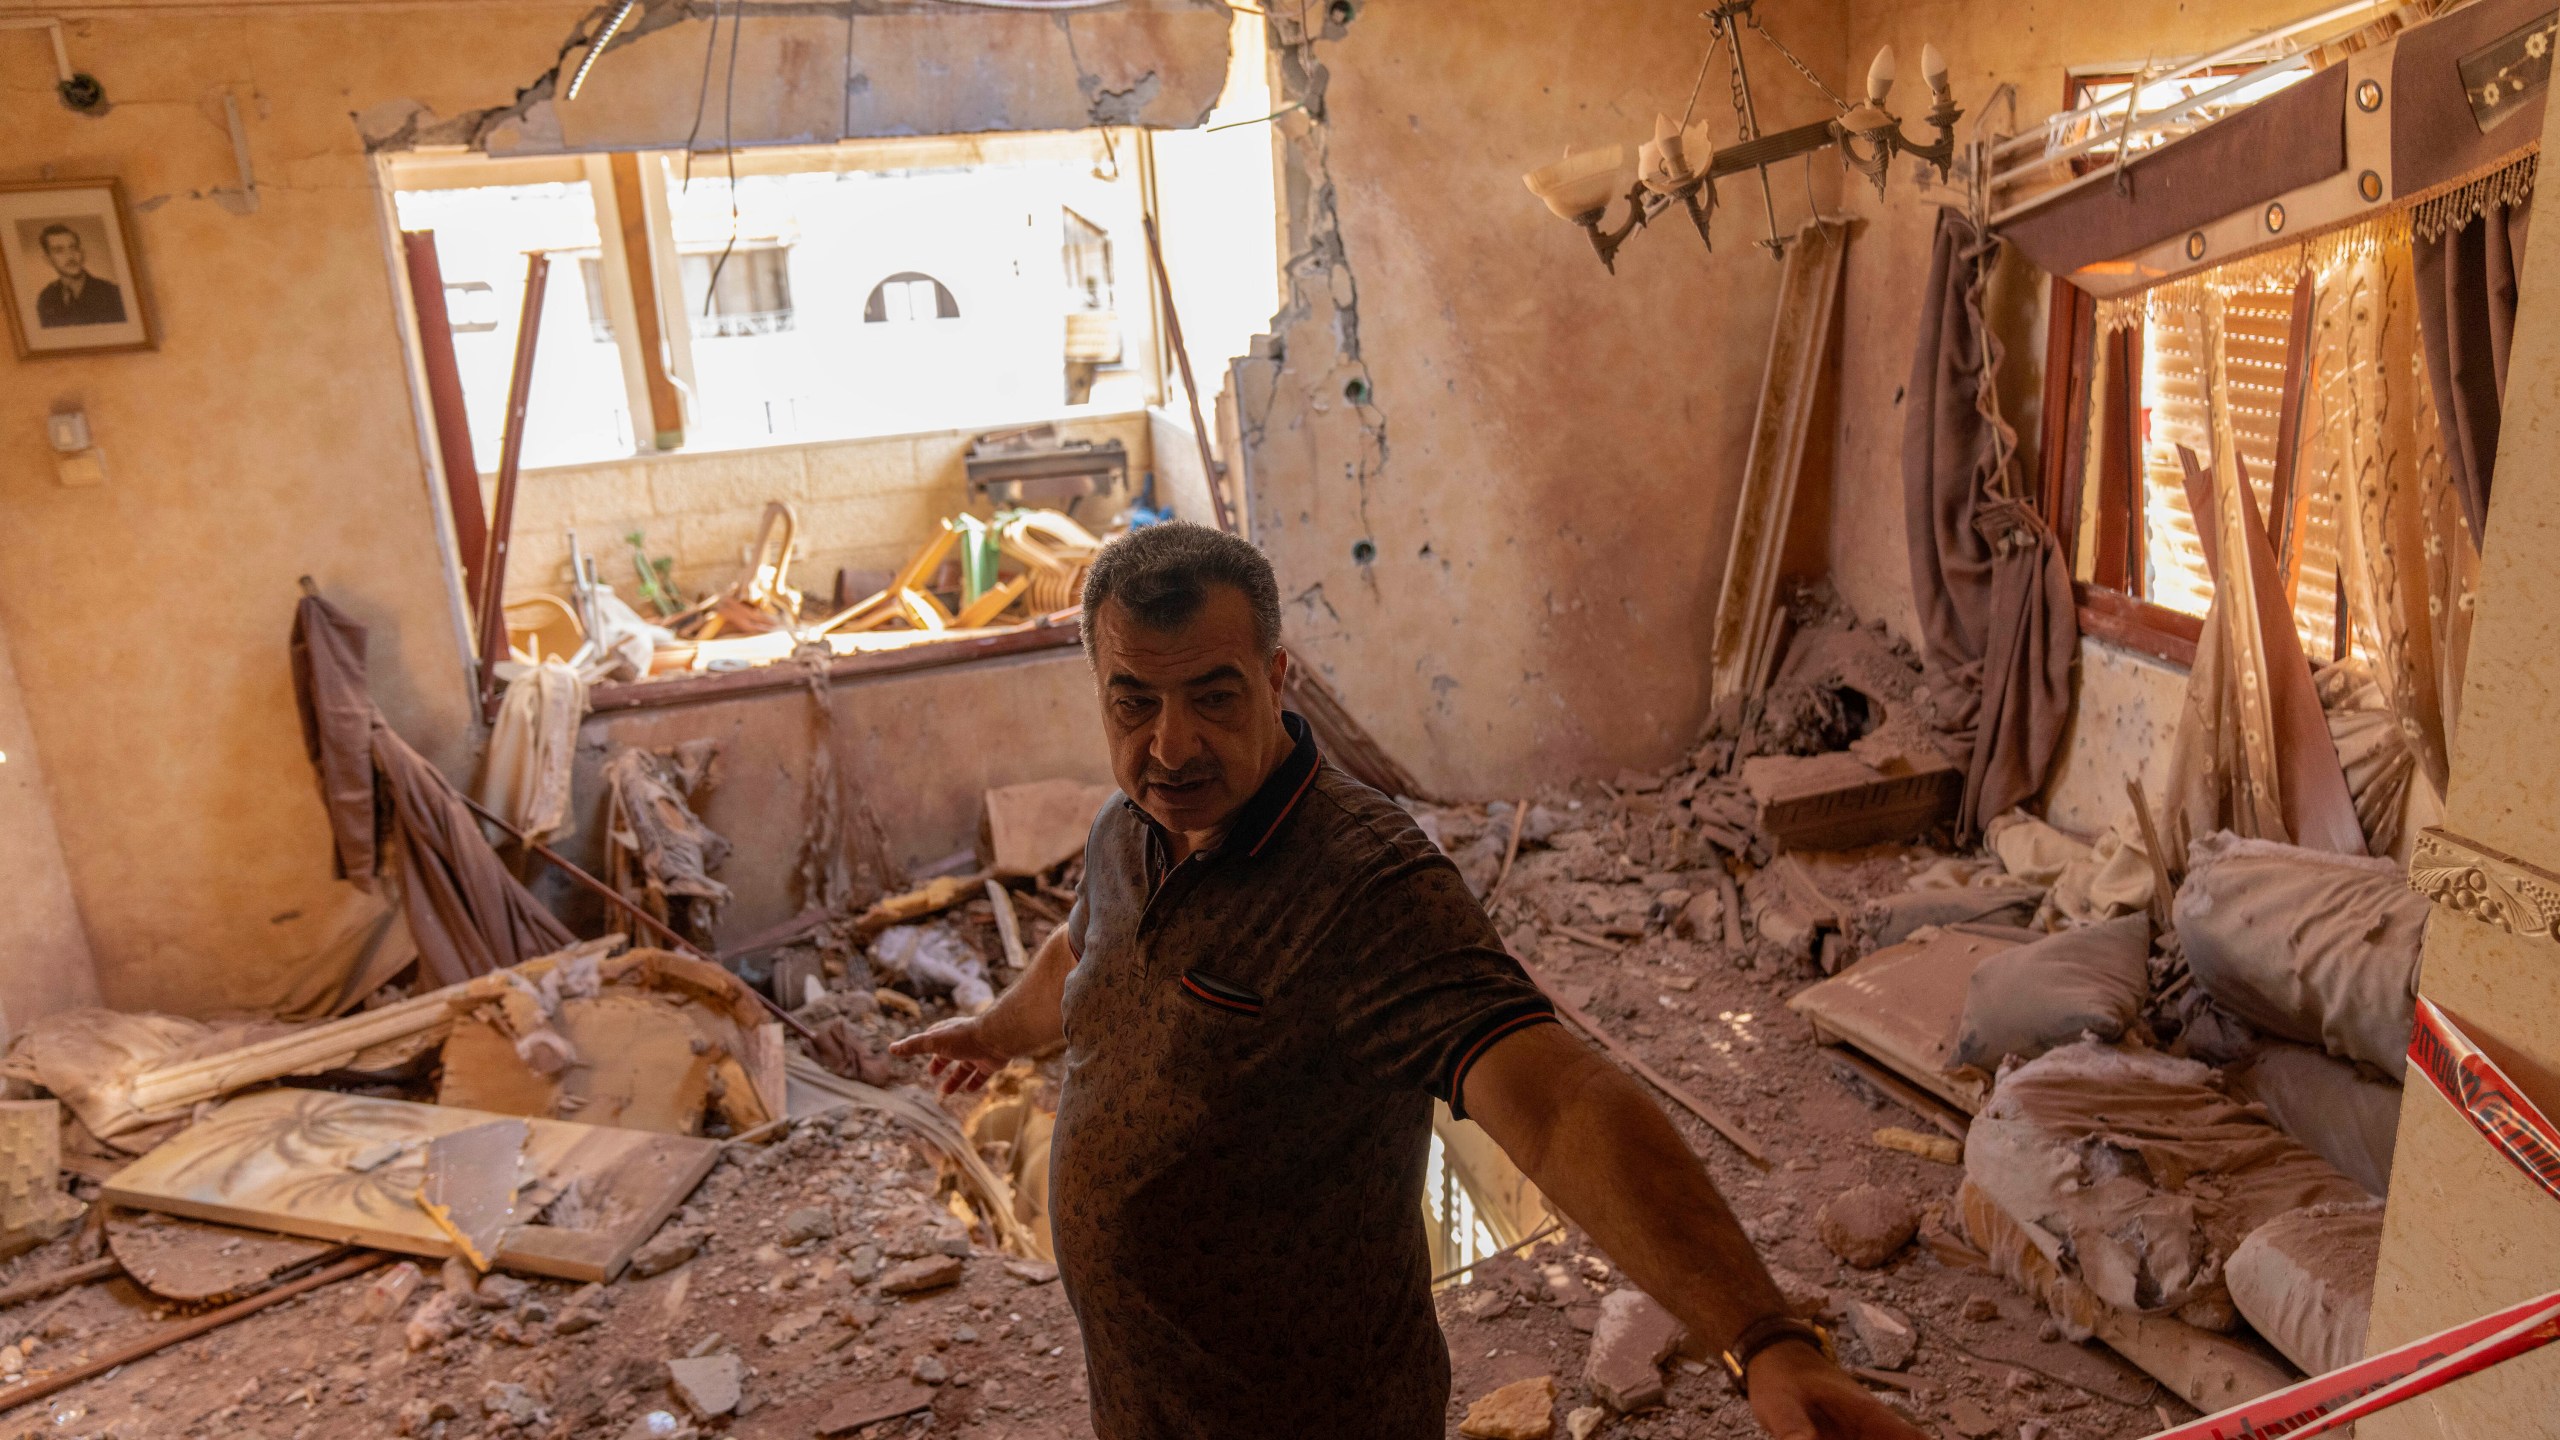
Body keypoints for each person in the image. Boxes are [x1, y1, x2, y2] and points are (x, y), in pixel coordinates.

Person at [894, 523, 1923, 1440]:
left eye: (1213, 697)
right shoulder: (1131, 828)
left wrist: (1761, 1337)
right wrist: (995, 1032)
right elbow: (1086, 952)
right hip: (1148, 1399)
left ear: (1276, 679)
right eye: (1135, 702)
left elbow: (1559, 1101)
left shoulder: (1364, 882)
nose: (1170, 745)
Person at [33, 223, 126, 328]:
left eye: (73, 248)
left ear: (81, 253)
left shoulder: (112, 293)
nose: (70, 256)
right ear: (48, 260)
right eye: (59, 250)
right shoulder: (46, 298)